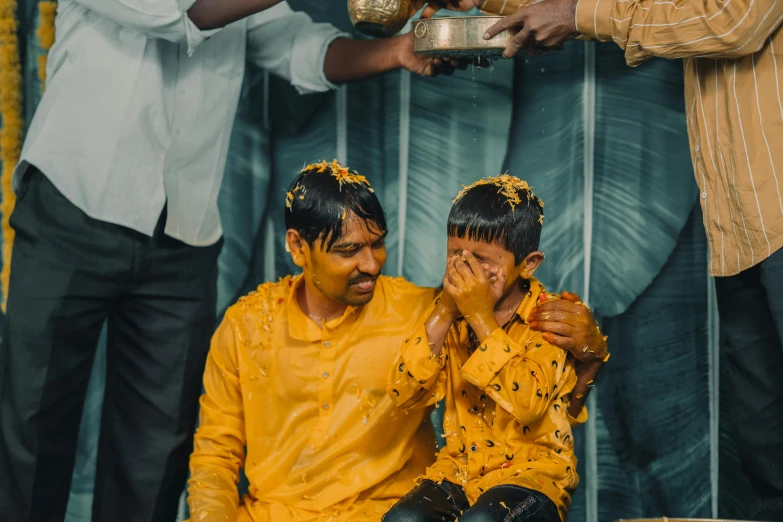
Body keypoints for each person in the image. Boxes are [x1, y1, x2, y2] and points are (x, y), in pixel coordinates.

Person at [0, 1, 470, 520]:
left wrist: (397, 50)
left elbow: (299, 47)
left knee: (154, 453)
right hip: (73, 208)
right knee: (34, 429)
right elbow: (185, 13)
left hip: (185, 234)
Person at [482, 0, 783, 518]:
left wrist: (578, 17)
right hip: (740, 227)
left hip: (773, 210)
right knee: (767, 449)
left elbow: (736, 22)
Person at [186, 161, 606, 522]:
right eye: (349, 250)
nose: (370, 264)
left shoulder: (426, 307)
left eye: (379, 244)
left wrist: (591, 349)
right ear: (298, 245)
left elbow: (539, 395)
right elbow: (214, 457)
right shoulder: (245, 324)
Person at [384, 175, 606, 522]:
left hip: (532, 477)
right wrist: (444, 312)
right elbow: (403, 393)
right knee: (403, 519)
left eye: (484, 260)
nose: (467, 270)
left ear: (527, 264)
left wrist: (478, 315)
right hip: (460, 472)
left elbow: (527, 404)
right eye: (456, 254)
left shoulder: (550, 318)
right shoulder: (448, 315)